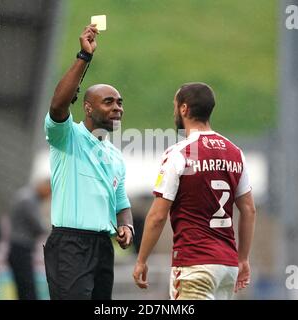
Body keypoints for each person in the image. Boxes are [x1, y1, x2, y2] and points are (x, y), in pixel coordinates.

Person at [133, 83, 256, 300]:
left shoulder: (179, 154)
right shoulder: (235, 152)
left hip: (195, 263)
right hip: (227, 266)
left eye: (175, 105)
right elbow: (248, 210)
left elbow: (157, 215)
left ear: (184, 109)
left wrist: (142, 260)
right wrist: (243, 259)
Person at [43, 24, 134, 300]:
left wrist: (127, 226)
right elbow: (58, 106)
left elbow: (122, 204)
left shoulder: (115, 156)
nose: (117, 107)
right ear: (88, 107)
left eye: (119, 102)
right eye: (108, 102)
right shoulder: (67, 137)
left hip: (102, 247)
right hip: (70, 244)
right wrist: (84, 57)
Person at [8, 178, 51, 300]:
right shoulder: (29, 199)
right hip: (21, 248)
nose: (49, 196)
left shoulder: (26, 195)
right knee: (28, 289)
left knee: (23, 288)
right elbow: (39, 226)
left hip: (18, 247)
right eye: (50, 191)